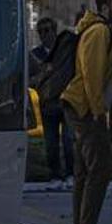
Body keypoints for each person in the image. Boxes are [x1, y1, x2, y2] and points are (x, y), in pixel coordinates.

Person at [61, 0, 112, 224]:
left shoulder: (102, 31)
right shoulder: (99, 31)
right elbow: (92, 75)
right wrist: (99, 112)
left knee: (84, 171)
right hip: (85, 109)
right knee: (98, 169)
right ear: (105, 8)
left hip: (82, 107)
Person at [31, 15, 78, 185]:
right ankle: (55, 174)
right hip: (48, 103)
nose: (44, 35)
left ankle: (70, 173)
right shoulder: (35, 55)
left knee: (68, 140)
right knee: (51, 143)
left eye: (47, 30)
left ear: (54, 31)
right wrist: (41, 79)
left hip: (66, 101)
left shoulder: (64, 51)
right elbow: (30, 78)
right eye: (41, 32)